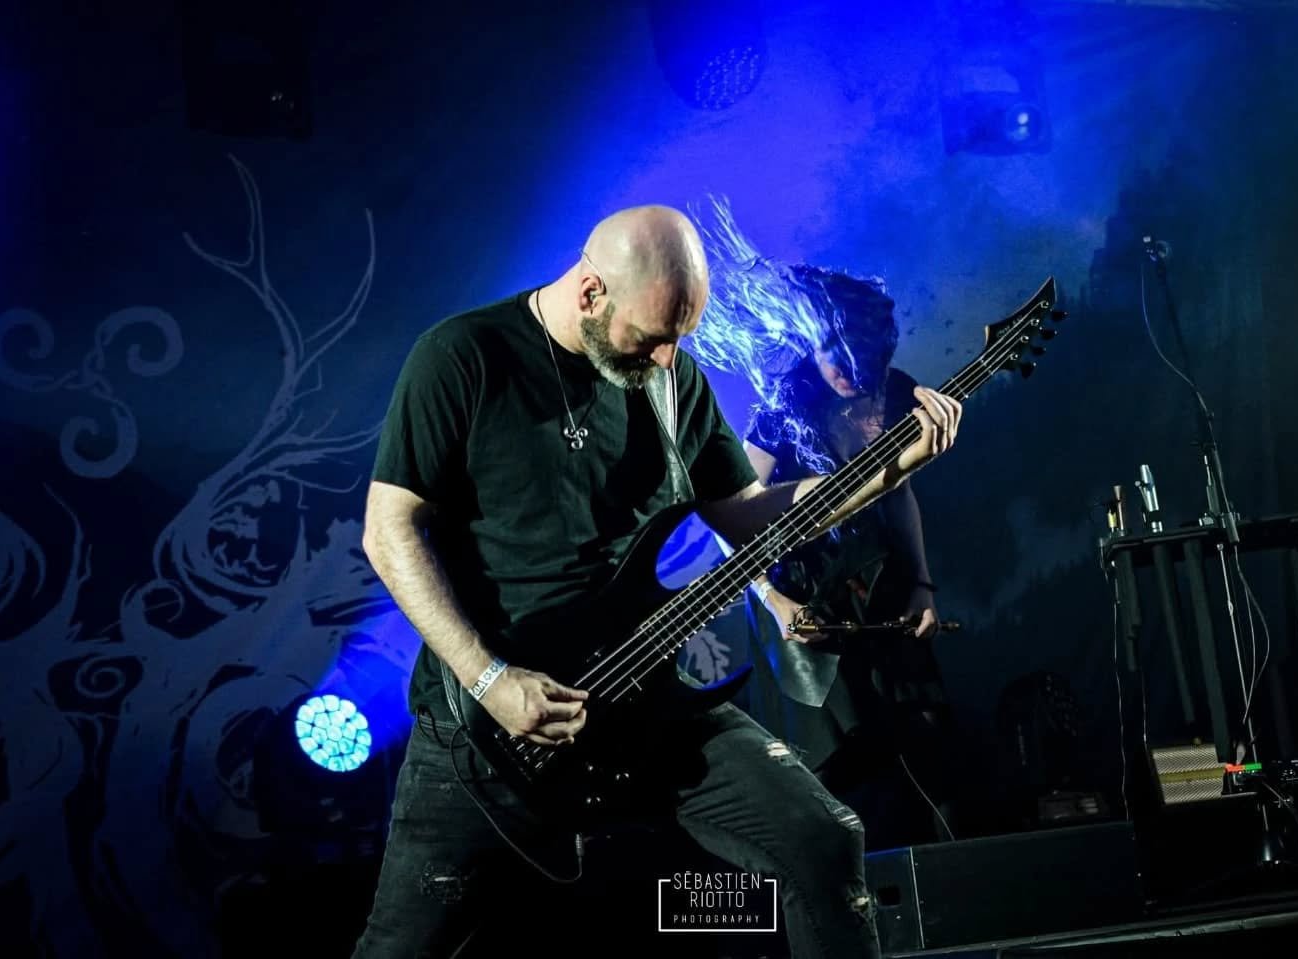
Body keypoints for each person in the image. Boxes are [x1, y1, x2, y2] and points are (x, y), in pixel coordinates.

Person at [353, 204, 963, 958]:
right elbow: (388, 531)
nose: (669, 358)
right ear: (589, 293)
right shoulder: (464, 357)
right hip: (490, 726)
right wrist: (488, 678)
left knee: (823, 838)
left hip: (645, 700)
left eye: (682, 337)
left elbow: (750, 516)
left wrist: (883, 471)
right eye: (651, 339)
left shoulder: (672, 378)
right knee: (404, 947)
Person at [686, 199, 961, 853]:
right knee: (833, 765)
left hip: (882, 591)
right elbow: (735, 520)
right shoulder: (788, 400)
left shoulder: (896, 391)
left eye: (855, 358)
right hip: (805, 603)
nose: (842, 371)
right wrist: (774, 600)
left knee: (923, 744)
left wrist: (920, 583)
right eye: (830, 353)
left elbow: (900, 496)